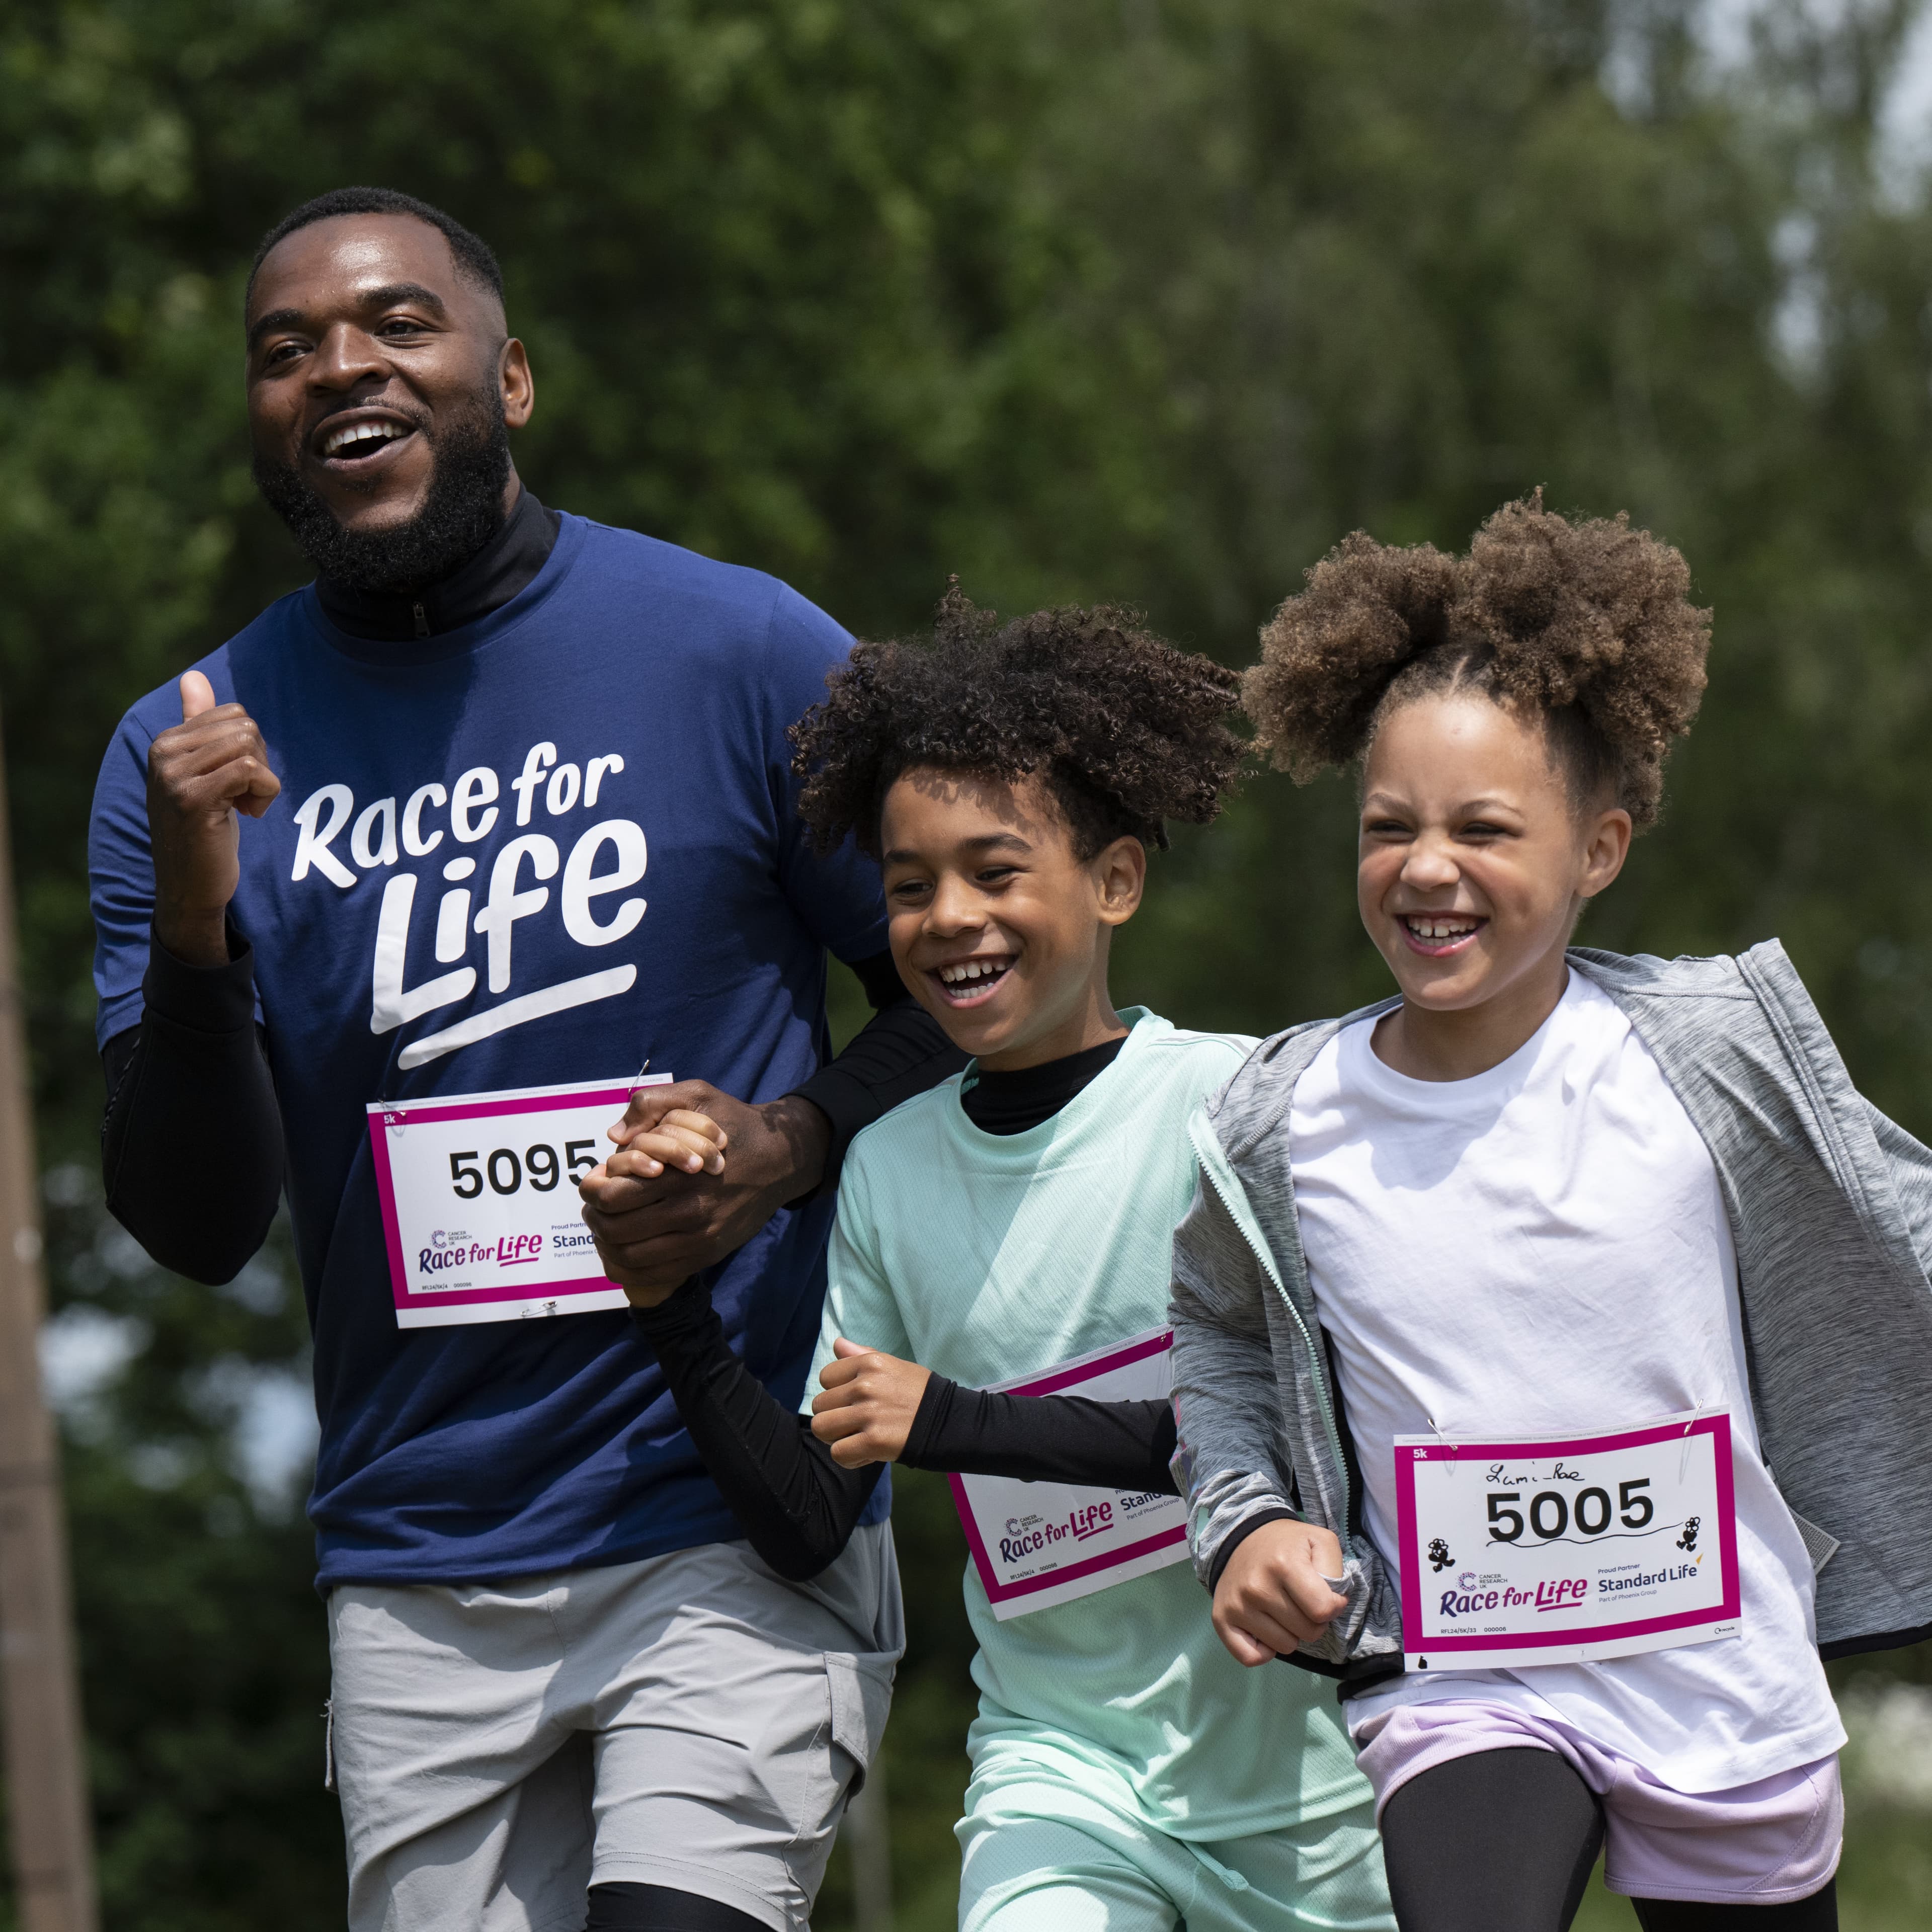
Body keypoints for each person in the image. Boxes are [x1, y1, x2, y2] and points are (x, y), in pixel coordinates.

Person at [88, 185, 963, 1932]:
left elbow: (972, 994)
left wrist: (784, 1149)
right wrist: (199, 933)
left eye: (400, 324)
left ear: (515, 378)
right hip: (419, 1565)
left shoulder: (742, 649)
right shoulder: (183, 752)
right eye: (286, 350)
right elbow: (194, 1224)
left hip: (727, 1508)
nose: (345, 365)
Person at [1167, 497, 1932, 1932]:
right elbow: (1210, 1334)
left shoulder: (1707, 1052)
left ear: (1601, 849)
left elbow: (1903, 1224)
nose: (1428, 866)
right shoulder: (1283, 1121)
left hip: (1723, 1687)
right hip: (1468, 1684)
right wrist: (1247, 1519)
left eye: (1486, 828)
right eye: (1389, 827)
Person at [595, 595, 1397, 1932]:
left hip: (1318, 1795)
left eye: (996, 871)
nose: (950, 918)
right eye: (910, 888)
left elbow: (1313, 1440)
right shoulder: (890, 1170)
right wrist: (669, 1298)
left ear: (1116, 882)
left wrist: (957, 1422)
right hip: (1061, 1786)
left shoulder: (1240, 1108)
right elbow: (802, 1520)